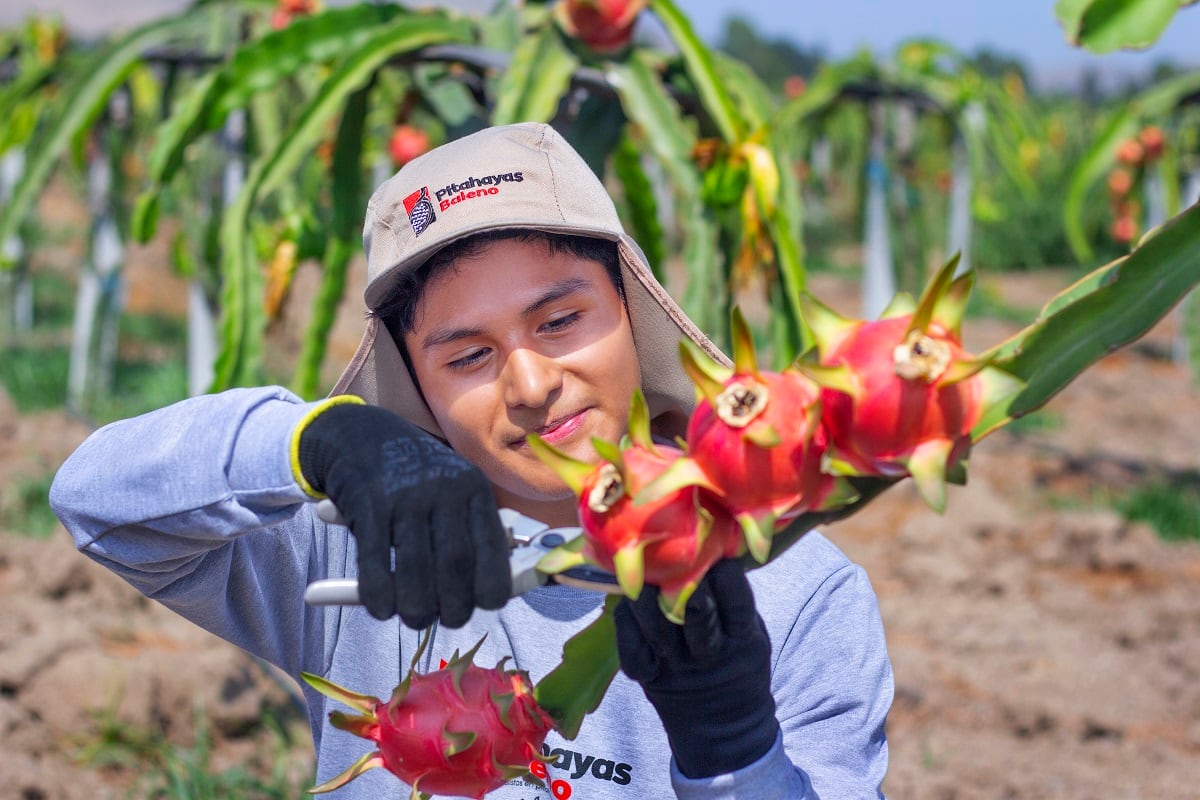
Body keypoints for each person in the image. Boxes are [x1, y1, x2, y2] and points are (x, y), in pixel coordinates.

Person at [51, 122, 893, 798]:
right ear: (416, 385)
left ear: (631, 314)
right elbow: (93, 500)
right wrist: (315, 440)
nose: (530, 384)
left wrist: (733, 751)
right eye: (467, 358)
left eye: (560, 322)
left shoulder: (796, 593)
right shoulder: (354, 545)